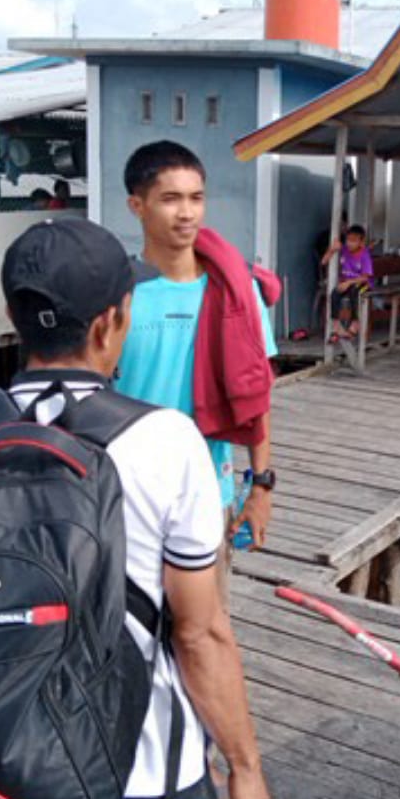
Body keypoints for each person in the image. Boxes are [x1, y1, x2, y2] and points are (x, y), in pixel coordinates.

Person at [0, 217, 270, 799]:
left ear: (12, 314)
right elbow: (200, 634)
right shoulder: (167, 442)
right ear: (111, 322)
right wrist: (246, 767)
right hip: (147, 763)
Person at [117, 141, 278, 559]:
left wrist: (261, 486)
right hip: (125, 490)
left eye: (196, 198)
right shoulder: (116, 295)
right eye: (170, 199)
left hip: (208, 486)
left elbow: (255, 394)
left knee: (205, 621)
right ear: (137, 205)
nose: (186, 213)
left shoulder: (238, 294)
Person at [321, 224, 374, 340]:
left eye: (354, 241)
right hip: (346, 284)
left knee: (355, 292)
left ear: (361, 242)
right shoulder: (344, 249)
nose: (350, 243)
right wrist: (332, 249)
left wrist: (348, 283)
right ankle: (336, 325)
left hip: (363, 284)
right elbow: (324, 261)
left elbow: (365, 277)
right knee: (334, 294)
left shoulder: (364, 255)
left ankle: (355, 323)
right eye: (348, 240)